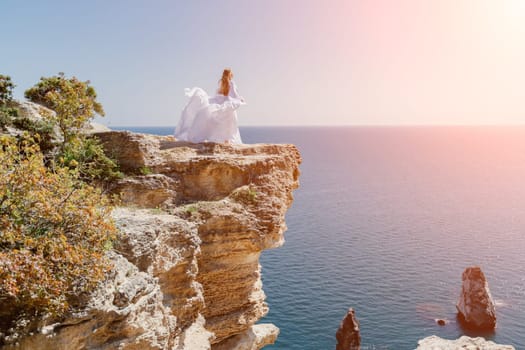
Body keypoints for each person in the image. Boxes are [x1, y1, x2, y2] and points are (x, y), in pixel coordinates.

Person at [174, 68, 245, 144]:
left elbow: (217, 94)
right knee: (229, 123)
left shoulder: (221, 83)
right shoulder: (231, 83)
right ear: (230, 75)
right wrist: (240, 99)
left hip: (219, 103)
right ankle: (226, 140)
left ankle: (222, 140)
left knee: (220, 123)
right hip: (226, 105)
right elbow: (233, 95)